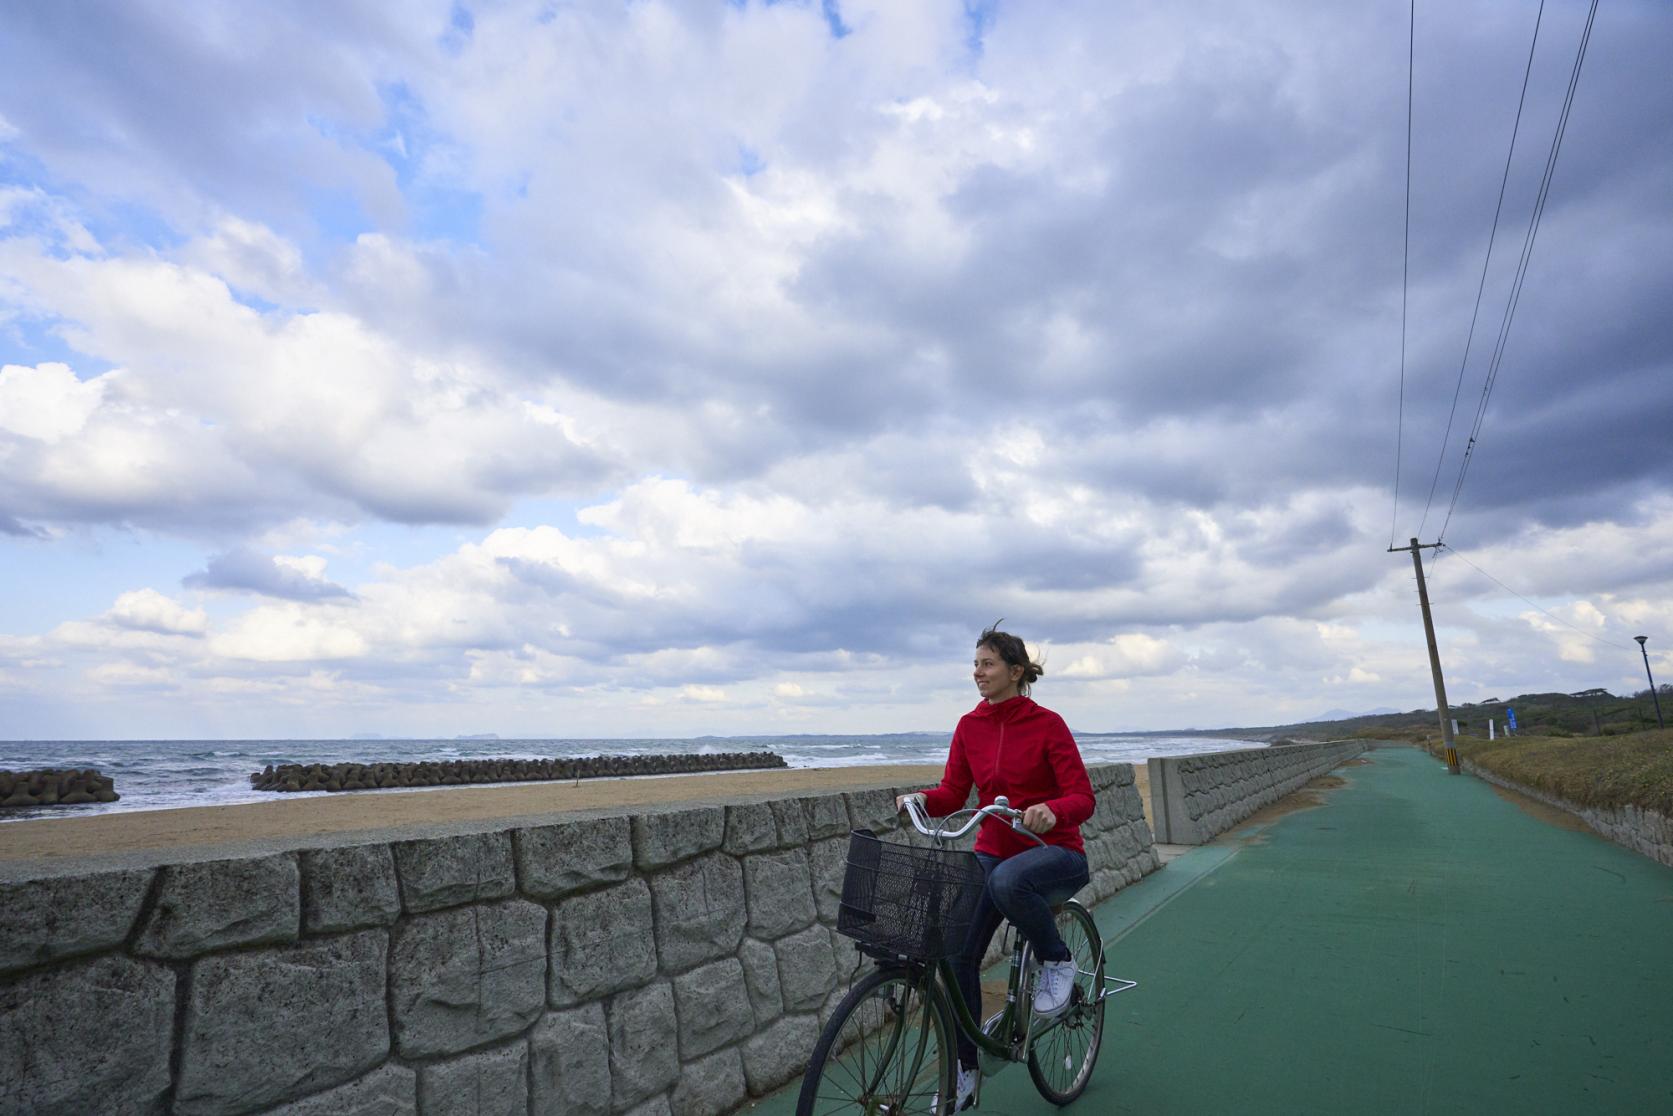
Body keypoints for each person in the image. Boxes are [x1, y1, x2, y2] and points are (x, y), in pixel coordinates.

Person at [897, 623, 1095, 1113]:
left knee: (1009, 880)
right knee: (959, 956)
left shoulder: (1047, 724)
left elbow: (1082, 797)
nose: (977, 673)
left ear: (1016, 671)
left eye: (987, 664)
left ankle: (1058, 960)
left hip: (1055, 852)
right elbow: (952, 793)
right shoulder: (970, 727)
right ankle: (965, 1074)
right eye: (976, 664)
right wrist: (922, 798)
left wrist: (1054, 810)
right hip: (994, 849)